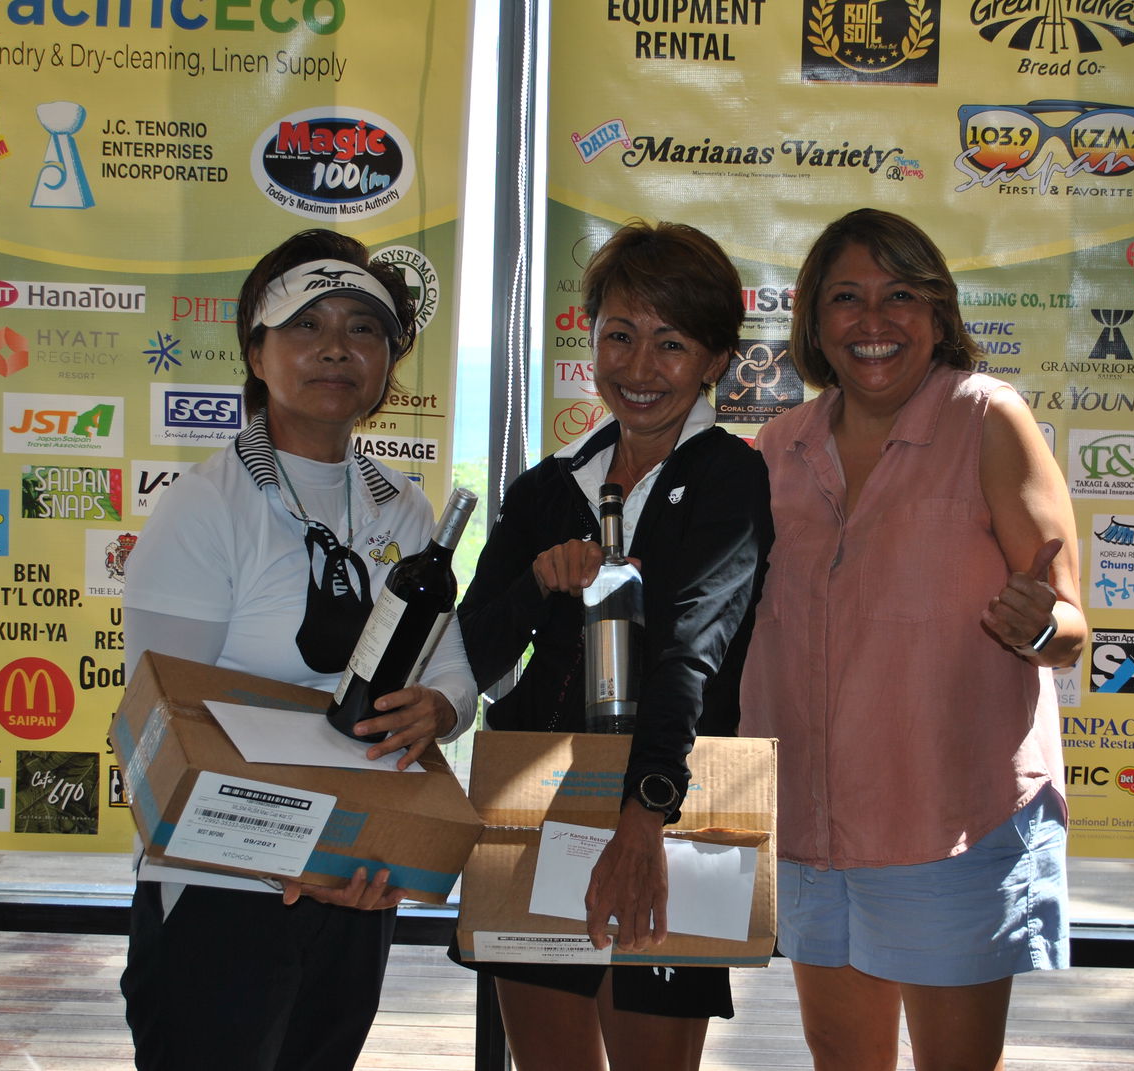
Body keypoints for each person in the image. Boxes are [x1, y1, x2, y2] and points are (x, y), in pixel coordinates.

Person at [119, 228, 477, 1071]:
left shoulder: (404, 511)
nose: (336, 349)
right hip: (221, 887)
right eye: (306, 325)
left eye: (363, 328)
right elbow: (158, 724)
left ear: (389, 359)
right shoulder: (206, 509)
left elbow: (451, 669)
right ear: (256, 349)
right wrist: (285, 858)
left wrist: (440, 706)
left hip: (358, 876)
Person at [740, 208, 1085, 1071]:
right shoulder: (775, 449)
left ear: (938, 313)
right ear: (815, 324)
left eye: (900, 296)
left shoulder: (986, 418)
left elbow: (1070, 622)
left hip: (951, 825)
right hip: (813, 827)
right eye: (847, 298)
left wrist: (1039, 623)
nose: (874, 320)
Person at [454, 220, 772, 1070]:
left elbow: (693, 653)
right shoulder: (545, 490)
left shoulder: (730, 479)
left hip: (673, 812)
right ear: (589, 338)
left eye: (671, 344)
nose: (638, 369)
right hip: (538, 797)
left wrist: (643, 820)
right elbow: (474, 659)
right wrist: (537, 583)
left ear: (713, 361)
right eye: (620, 337)